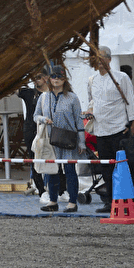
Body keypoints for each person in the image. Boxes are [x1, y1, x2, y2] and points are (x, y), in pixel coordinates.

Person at [81, 47, 134, 200]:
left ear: (109, 59)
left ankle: (128, 200)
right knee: (106, 167)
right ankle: (110, 201)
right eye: (96, 57)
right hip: (101, 129)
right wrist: (90, 111)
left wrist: (133, 122)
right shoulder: (92, 80)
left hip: (119, 128)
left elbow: (130, 100)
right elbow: (92, 101)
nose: (99, 60)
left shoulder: (121, 77)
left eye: (102, 57)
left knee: (123, 165)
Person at [34, 65, 85, 212]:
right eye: (53, 76)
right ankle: (53, 201)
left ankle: (72, 202)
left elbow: (79, 120)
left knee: (70, 170)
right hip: (51, 139)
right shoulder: (44, 97)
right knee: (52, 171)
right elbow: (35, 116)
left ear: (65, 79)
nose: (56, 79)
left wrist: (82, 141)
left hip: (68, 139)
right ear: (49, 78)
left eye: (59, 76)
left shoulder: (73, 98)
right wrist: (43, 119)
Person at [16, 72, 46, 194]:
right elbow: (14, 90)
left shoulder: (51, 94)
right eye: (34, 78)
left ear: (45, 78)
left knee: (54, 160)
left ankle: (59, 189)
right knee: (34, 159)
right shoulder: (29, 93)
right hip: (31, 129)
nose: (36, 80)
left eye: (38, 78)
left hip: (47, 129)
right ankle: (41, 189)